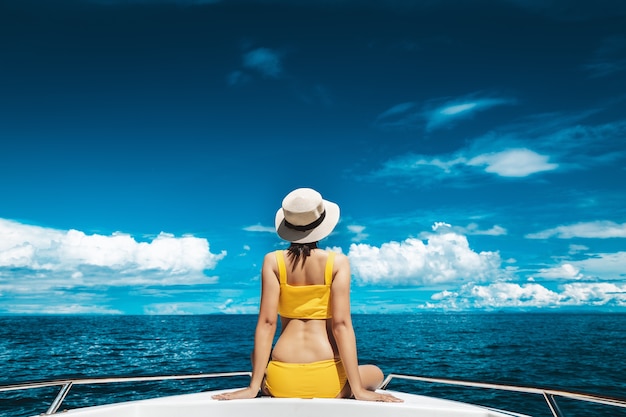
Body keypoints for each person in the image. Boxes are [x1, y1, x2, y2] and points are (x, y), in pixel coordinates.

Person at [213, 188, 401, 402]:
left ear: (287, 225)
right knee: (375, 372)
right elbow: (341, 326)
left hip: (281, 380)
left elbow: (267, 323)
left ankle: (262, 383)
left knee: (255, 355)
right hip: (328, 380)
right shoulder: (337, 263)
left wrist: (253, 387)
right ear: (322, 226)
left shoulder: (273, 261)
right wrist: (358, 390)